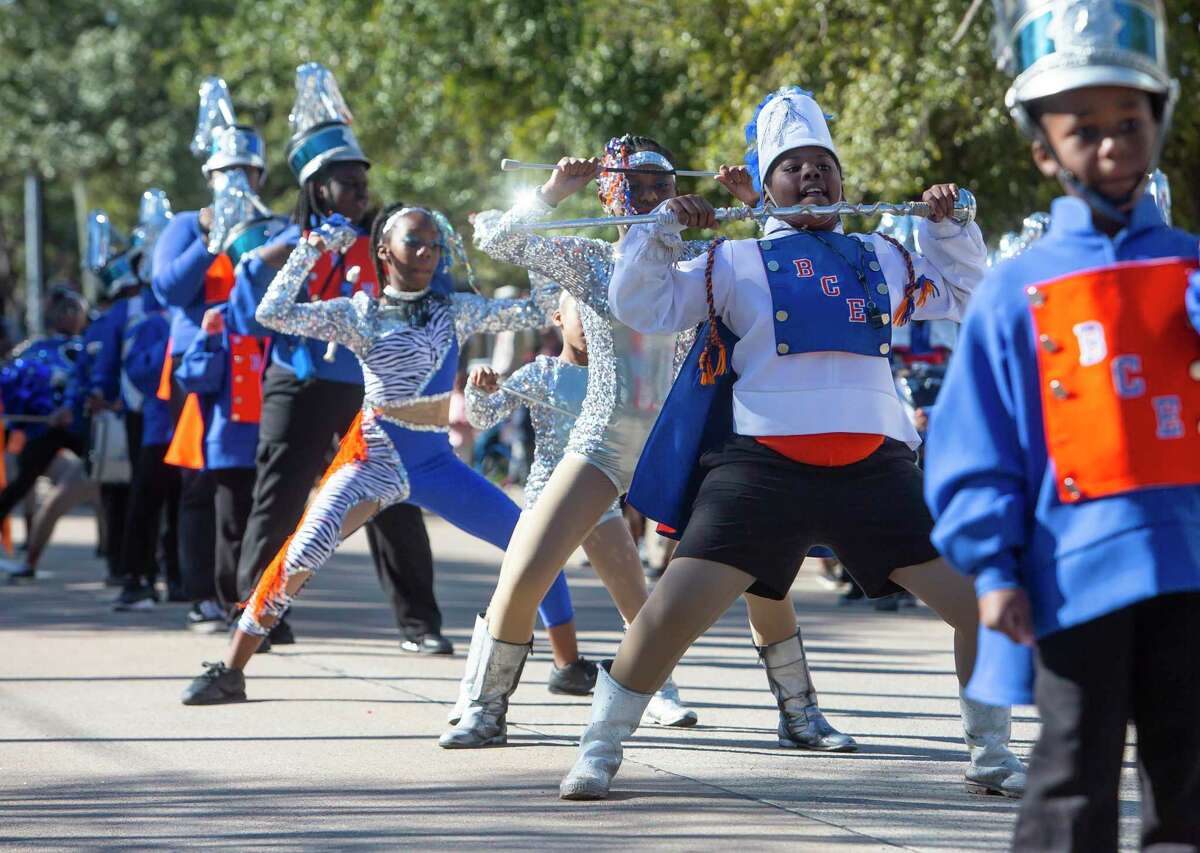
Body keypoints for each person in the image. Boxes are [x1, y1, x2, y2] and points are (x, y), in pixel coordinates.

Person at [556, 87, 1024, 801]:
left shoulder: (885, 253)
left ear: (842, 181)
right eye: (793, 166)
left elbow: (966, 293)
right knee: (665, 617)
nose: (812, 175)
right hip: (762, 471)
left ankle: (990, 752)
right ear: (766, 186)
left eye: (823, 165)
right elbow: (640, 305)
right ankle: (598, 747)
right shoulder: (732, 261)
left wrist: (952, 224)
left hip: (877, 470)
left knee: (982, 602)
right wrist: (658, 228)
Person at [444, 135, 851, 752]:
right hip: (605, 435)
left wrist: (752, 205)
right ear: (612, 197)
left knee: (766, 579)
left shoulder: (709, 258)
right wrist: (554, 191)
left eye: (664, 187)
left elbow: (788, 263)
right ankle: (486, 705)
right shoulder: (588, 259)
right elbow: (499, 238)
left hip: (691, 443)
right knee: (525, 569)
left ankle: (799, 710)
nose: (656, 198)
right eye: (637, 188)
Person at [926, 1, 1199, 848]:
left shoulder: (1192, 267)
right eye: (1083, 128)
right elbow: (981, 444)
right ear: (1044, 149)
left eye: (1129, 119)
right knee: (1072, 772)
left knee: (1190, 776)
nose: (1112, 141)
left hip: (1190, 565)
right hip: (1072, 574)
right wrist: (995, 567)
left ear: (1158, 122)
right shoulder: (1016, 288)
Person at [180, 203, 582, 706]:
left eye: (434, 244)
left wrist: (524, 228)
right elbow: (271, 312)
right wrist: (310, 249)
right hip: (373, 456)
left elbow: (542, 308)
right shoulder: (359, 313)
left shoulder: (453, 309)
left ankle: (568, 664)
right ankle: (231, 669)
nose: (427, 253)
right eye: (414, 242)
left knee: (533, 542)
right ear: (383, 251)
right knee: (302, 552)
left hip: (434, 461)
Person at [216, 63, 450, 656]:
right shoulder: (283, 241)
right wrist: (298, 249)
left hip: (371, 391)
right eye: (348, 184)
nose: (361, 193)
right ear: (318, 188)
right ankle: (258, 615)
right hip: (298, 385)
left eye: (363, 183)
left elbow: (429, 282)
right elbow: (248, 314)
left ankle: (419, 625)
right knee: (281, 498)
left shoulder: (386, 240)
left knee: (395, 503)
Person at [464, 290, 696, 725]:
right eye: (583, 315)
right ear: (557, 317)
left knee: (637, 603)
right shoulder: (540, 373)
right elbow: (483, 418)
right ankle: (477, 700)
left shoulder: (624, 380)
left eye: (604, 318)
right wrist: (479, 388)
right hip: (542, 503)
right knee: (510, 599)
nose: (594, 326)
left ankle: (659, 691)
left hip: (600, 504)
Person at [152, 78, 266, 631]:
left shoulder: (269, 228)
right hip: (201, 375)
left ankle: (252, 595)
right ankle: (201, 593)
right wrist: (209, 240)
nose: (238, 183)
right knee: (201, 485)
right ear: (211, 179)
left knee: (255, 485)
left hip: (259, 371)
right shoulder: (185, 227)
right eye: (228, 175)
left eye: (248, 174)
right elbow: (167, 290)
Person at [0, 288, 91, 582]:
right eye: (63, 310)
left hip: (82, 431)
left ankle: (118, 558)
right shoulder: (35, 349)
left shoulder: (91, 342)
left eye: (72, 309)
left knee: (105, 488)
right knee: (22, 484)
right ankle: (30, 558)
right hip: (43, 429)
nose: (69, 316)